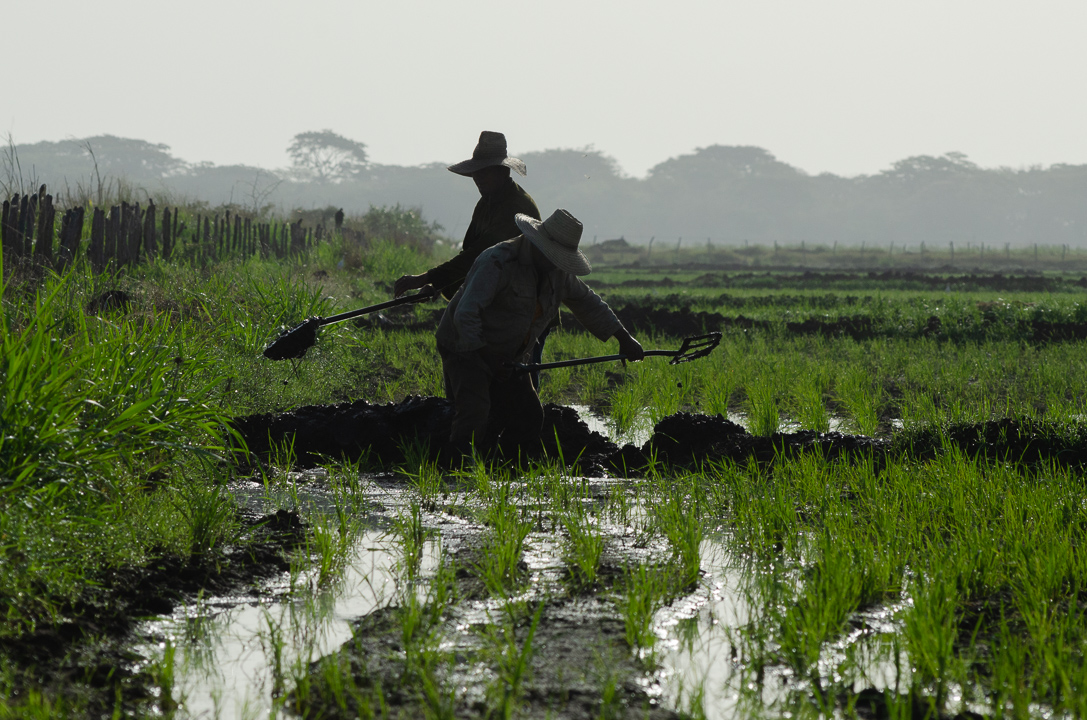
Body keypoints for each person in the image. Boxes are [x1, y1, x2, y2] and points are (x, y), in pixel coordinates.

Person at [435, 209, 644, 458]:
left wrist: (624, 338)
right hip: (466, 346)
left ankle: (506, 470)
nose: (557, 263)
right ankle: (456, 471)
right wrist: (489, 359)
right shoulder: (499, 261)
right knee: (475, 412)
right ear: (537, 243)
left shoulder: (558, 272)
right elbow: (466, 315)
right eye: (555, 256)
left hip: (510, 355)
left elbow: (587, 303)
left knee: (529, 415)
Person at [393, 131, 540, 301]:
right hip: (498, 294)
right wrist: (439, 286)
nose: (478, 178)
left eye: (486, 172)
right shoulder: (487, 203)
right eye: (477, 172)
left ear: (503, 172)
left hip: (521, 301)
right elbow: (473, 257)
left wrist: (426, 278)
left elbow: (479, 256)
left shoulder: (515, 208)